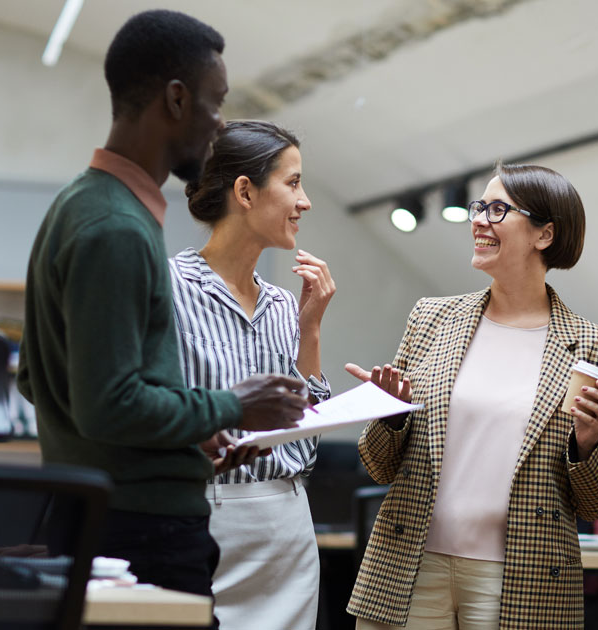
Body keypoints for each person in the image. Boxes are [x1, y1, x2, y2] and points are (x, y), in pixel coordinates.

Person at [16, 10, 308, 614]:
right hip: (139, 530)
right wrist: (232, 405)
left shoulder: (85, 203)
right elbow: (110, 402)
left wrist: (191, 432)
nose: (218, 125)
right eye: (215, 103)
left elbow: (39, 378)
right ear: (176, 100)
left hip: (112, 517)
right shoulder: (117, 227)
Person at [345, 163, 598, 630]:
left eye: (498, 209)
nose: (478, 219)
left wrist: (587, 445)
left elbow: (597, 502)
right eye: (480, 206)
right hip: (409, 565)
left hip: (523, 579)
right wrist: (389, 415)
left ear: (544, 234)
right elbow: (377, 465)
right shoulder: (432, 319)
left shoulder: (596, 346)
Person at [169, 120, 335, 630]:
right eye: (293, 182)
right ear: (245, 191)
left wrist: (309, 332)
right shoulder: (167, 288)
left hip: (288, 528)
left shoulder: (286, 304)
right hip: (205, 520)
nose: (304, 201)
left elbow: (302, 449)